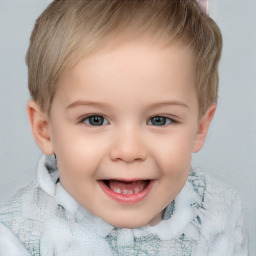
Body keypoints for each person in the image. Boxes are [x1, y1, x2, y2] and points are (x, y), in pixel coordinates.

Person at [0, 0, 248, 255]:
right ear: (44, 129)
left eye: (159, 120)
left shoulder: (219, 215)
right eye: (95, 119)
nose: (129, 151)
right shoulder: (15, 239)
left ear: (199, 128)